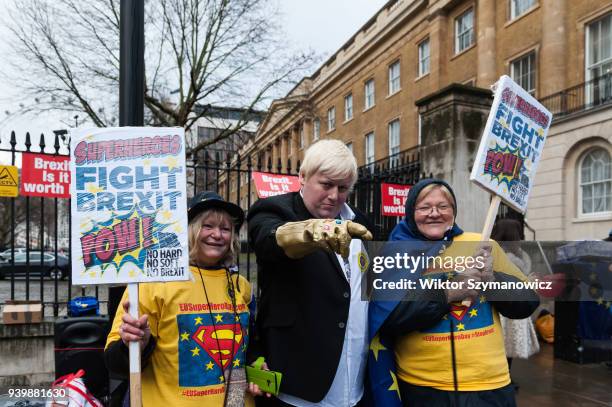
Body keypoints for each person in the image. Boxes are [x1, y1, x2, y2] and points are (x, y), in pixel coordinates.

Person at [368, 179, 540, 407]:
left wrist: (492, 280)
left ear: (454, 211)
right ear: (410, 212)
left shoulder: (483, 245)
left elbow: (527, 303)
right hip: (424, 388)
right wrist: (446, 293)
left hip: (489, 386)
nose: (434, 213)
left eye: (443, 206)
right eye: (424, 207)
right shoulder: (395, 255)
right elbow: (389, 319)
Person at [247, 139, 373, 406]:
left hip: (355, 385)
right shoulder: (274, 210)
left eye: (343, 188)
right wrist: (317, 232)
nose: (334, 195)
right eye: (326, 184)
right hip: (297, 390)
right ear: (303, 177)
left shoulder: (361, 222)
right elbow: (271, 241)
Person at [105, 191, 255, 407]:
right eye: (208, 226)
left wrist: (258, 365)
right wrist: (139, 343)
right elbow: (114, 364)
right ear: (189, 230)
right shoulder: (151, 284)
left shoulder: (241, 285)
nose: (218, 235)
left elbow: (249, 348)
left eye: (225, 229)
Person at [491, 218, 540, 391]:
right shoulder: (503, 256)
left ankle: (506, 376)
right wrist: (528, 282)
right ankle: (504, 378)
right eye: (518, 233)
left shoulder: (516, 254)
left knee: (507, 346)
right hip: (506, 306)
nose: (520, 236)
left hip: (512, 303)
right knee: (504, 345)